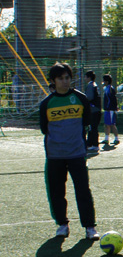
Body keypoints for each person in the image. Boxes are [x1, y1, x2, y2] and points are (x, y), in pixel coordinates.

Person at [39, 62, 99, 241]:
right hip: (55, 155)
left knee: (83, 190)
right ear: (53, 81)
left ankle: (89, 227)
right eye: (60, 78)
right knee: (56, 191)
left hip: (77, 154)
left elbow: (86, 122)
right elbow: (44, 129)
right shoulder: (47, 104)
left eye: (67, 78)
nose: (65, 81)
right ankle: (62, 224)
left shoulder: (80, 99)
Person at [83, 70, 101, 153]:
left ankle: (94, 145)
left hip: (93, 110)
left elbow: (89, 97)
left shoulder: (91, 86)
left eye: (85, 77)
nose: (84, 78)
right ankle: (90, 144)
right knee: (92, 127)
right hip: (96, 109)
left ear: (89, 77)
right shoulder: (95, 85)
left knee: (93, 127)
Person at [101, 74, 119, 145]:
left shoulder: (111, 89)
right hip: (107, 109)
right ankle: (106, 139)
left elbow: (114, 99)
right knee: (106, 124)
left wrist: (114, 108)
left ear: (107, 81)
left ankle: (116, 139)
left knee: (112, 124)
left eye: (104, 81)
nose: (103, 82)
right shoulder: (106, 88)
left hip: (110, 110)